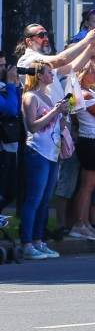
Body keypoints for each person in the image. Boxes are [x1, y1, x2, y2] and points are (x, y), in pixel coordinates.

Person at [18, 60, 69, 260]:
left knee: (45, 200)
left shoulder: (48, 97)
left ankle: (39, 240)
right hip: (37, 152)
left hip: (52, 153)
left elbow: (59, 126)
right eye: (49, 72)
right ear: (39, 75)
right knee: (34, 199)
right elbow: (32, 126)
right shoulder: (31, 97)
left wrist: (63, 113)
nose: (53, 75)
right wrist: (55, 112)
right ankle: (27, 243)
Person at [67, 66, 95, 241]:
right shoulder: (84, 95)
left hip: (93, 140)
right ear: (82, 75)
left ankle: (85, 224)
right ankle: (79, 224)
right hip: (90, 141)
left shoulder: (90, 92)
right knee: (86, 186)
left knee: (89, 186)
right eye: (92, 71)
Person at [0, 58, 22, 217]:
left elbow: (18, 108)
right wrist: (9, 82)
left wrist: (16, 85)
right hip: (2, 148)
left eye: (4, 64)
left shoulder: (5, 87)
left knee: (11, 191)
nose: (4, 68)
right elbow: (11, 109)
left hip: (9, 146)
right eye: (0, 65)